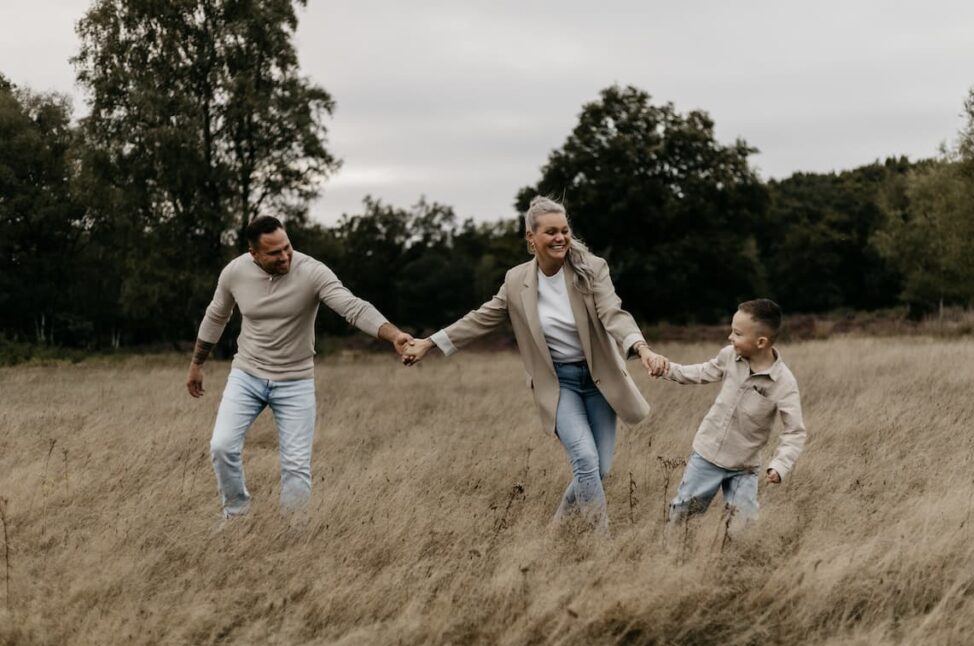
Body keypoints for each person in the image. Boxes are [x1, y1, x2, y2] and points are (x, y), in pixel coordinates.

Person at [402, 196, 668, 529]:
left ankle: (555, 529)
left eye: (565, 231)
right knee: (584, 461)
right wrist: (430, 342)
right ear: (531, 238)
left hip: (600, 381)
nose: (560, 238)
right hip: (559, 385)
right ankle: (603, 544)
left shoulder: (592, 269)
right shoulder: (516, 281)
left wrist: (641, 348)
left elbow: (614, 314)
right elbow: (481, 318)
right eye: (551, 232)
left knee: (598, 470)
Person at [186, 215, 413, 517]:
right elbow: (216, 316)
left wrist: (394, 335)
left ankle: (293, 535)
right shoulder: (234, 273)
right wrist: (196, 364)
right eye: (274, 252)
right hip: (247, 375)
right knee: (222, 447)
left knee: (295, 465)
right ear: (254, 253)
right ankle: (236, 515)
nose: (285, 256)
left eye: (287, 247)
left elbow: (353, 307)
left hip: (295, 381)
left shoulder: (312, 272)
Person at [654, 299, 806, 526]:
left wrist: (780, 465)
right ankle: (670, 555)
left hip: (744, 467)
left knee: (742, 526)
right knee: (683, 516)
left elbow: (795, 432)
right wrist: (667, 369)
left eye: (737, 333)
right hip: (708, 455)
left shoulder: (784, 382)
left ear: (761, 341)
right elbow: (700, 372)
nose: (730, 337)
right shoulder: (729, 356)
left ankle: (734, 559)